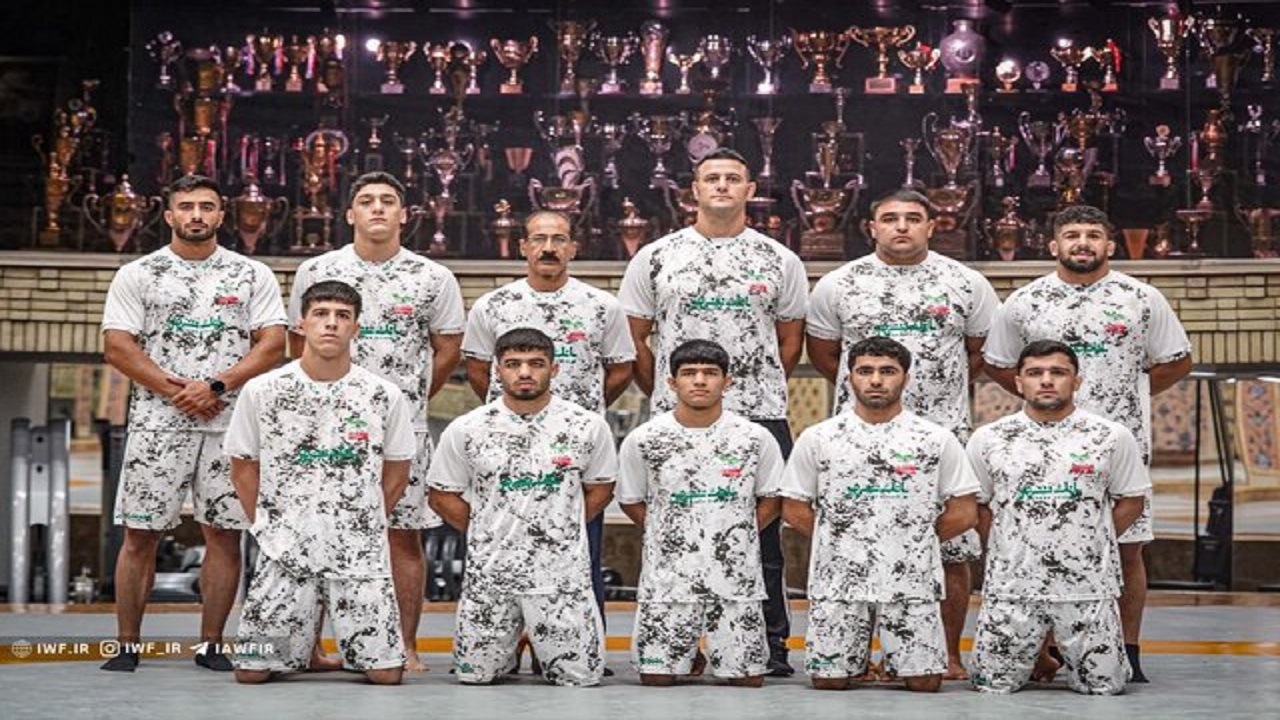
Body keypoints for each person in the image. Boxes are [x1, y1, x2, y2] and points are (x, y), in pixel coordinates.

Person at [982, 204, 1192, 682]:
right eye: (1072, 234)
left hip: (1119, 444)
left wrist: (1131, 395)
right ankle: (1045, 650)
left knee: (1126, 547)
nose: (1082, 243)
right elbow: (997, 362)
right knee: (1040, 544)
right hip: (1040, 448)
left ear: (1109, 245)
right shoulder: (1025, 302)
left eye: (1093, 235)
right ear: (1053, 245)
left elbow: (1176, 360)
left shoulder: (1141, 298)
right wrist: (1040, 400)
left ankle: (1128, 649)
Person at [618, 146, 807, 676]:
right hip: (675, 421)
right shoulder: (657, 257)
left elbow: (789, 341)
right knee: (673, 530)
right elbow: (635, 338)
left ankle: (767, 645)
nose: (722, 185)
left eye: (732, 178)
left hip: (758, 415)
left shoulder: (779, 259)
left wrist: (752, 390)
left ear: (750, 190)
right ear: (694, 191)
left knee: (761, 536)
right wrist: (672, 393)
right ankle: (677, 644)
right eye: (712, 178)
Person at [805, 188, 998, 679]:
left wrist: (935, 395)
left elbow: (980, 351)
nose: (902, 226)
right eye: (890, 218)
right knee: (859, 546)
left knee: (951, 549)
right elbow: (826, 354)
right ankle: (857, 657)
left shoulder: (966, 282)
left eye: (913, 218)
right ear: (872, 228)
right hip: (858, 438)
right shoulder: (839, 284)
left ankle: (946, 653)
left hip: (941, 433)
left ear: (932, 226)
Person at [99, 174, 286, 672]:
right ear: (169, 215)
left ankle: (211, 645)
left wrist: (217, 386)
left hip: (229, 427)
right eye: (186, 207)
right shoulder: (138, 273)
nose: (196, 215)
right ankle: (127, 645)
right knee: (140, 534)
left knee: (224, 533)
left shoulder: (251, 274)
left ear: (222, 215)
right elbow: (118, 346)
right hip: (157, 426)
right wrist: (179, 391)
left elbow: (273, 343)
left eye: (206, 206)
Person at [288, 170, 465, 671]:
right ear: (350, 214)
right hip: (327, 432)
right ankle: (313, 647)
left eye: (388, 201)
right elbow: (297, 343)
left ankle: (405, 646)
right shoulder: (318, 270)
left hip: (402, 433)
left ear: (404, 215)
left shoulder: (433, 277)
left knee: (403, 535)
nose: (378, 208)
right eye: (367, 201)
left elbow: (448, 348)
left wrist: (411, 400)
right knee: (319, 534)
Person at [463, 209, 635, 661]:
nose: (548, 248)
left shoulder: (602, 306)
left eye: (559, 240)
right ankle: (499, 648)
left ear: (573, 248)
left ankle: (580, 649)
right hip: (505, 452)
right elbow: (477, 369)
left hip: (572, 454)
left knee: (581, 552)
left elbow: (620, 369)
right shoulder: (492, 306)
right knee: (502, 551)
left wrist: (579, 417)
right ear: (523, 247)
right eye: (539, 239)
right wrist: (513, 412)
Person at [228, 280, 413, 685]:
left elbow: (397, 471)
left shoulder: (384, 395)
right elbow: (242, 468)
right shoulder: (262, 391)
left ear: (356, 328)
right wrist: (268, 527)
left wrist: (364, 522)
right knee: (251, 672)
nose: (331, 324)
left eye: (342, 316)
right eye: (321, 314)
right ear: (301, 324)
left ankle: (334, 649)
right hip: (285, 548)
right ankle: (300, 651)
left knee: (386, 675)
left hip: (359, 554)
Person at [780, 337, 979, 692]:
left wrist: (911, 539)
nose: (875, 380)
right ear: (849, 378)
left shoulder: (935, 438)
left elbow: (964, 512)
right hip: (838, 581)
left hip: (911, 581)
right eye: (865, 371)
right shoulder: (819, 437)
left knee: (924, 684)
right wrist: (842, 539)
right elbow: (794, 509)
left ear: (906, 378)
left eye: (887, 371)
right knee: (829, 682)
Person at [427, 328, 617, 686]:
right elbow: (441, 495)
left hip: (561, 579)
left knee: (580, 680)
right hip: (490, 577)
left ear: (554, 369)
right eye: (513, 364)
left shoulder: (587, 426)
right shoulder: (467, 429)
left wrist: (557, 529)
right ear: (497, 370)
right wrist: (487, 529)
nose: (525, 372)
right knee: (475, 678)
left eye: (536, 364)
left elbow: (601, 488)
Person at [968, 340, 1149, 695]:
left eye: (1059, 372)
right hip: (1011, 590)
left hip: (1088, 590)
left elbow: (1131, 500)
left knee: (1105, 687)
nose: (1047, 380)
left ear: (1077, 381)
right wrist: (1007, 544)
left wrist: (1090, 541)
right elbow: (979, 505)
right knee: (990, 686)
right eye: (1035, 373)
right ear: (1019, 382)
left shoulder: (1111, 436)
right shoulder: (989, 439)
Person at [618, 339, 782, 687]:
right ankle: (687, 655)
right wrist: (668, 532)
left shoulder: (755, 438)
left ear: (727, 381)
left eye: (710, 373)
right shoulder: (645, 438)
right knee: (657, 679)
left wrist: (738, 533)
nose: (700, 381)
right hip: (668, 580)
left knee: (747, 681)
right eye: (689, 373)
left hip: (735, 579)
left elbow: (772, 499)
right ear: (671, 382)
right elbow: (630, 500)